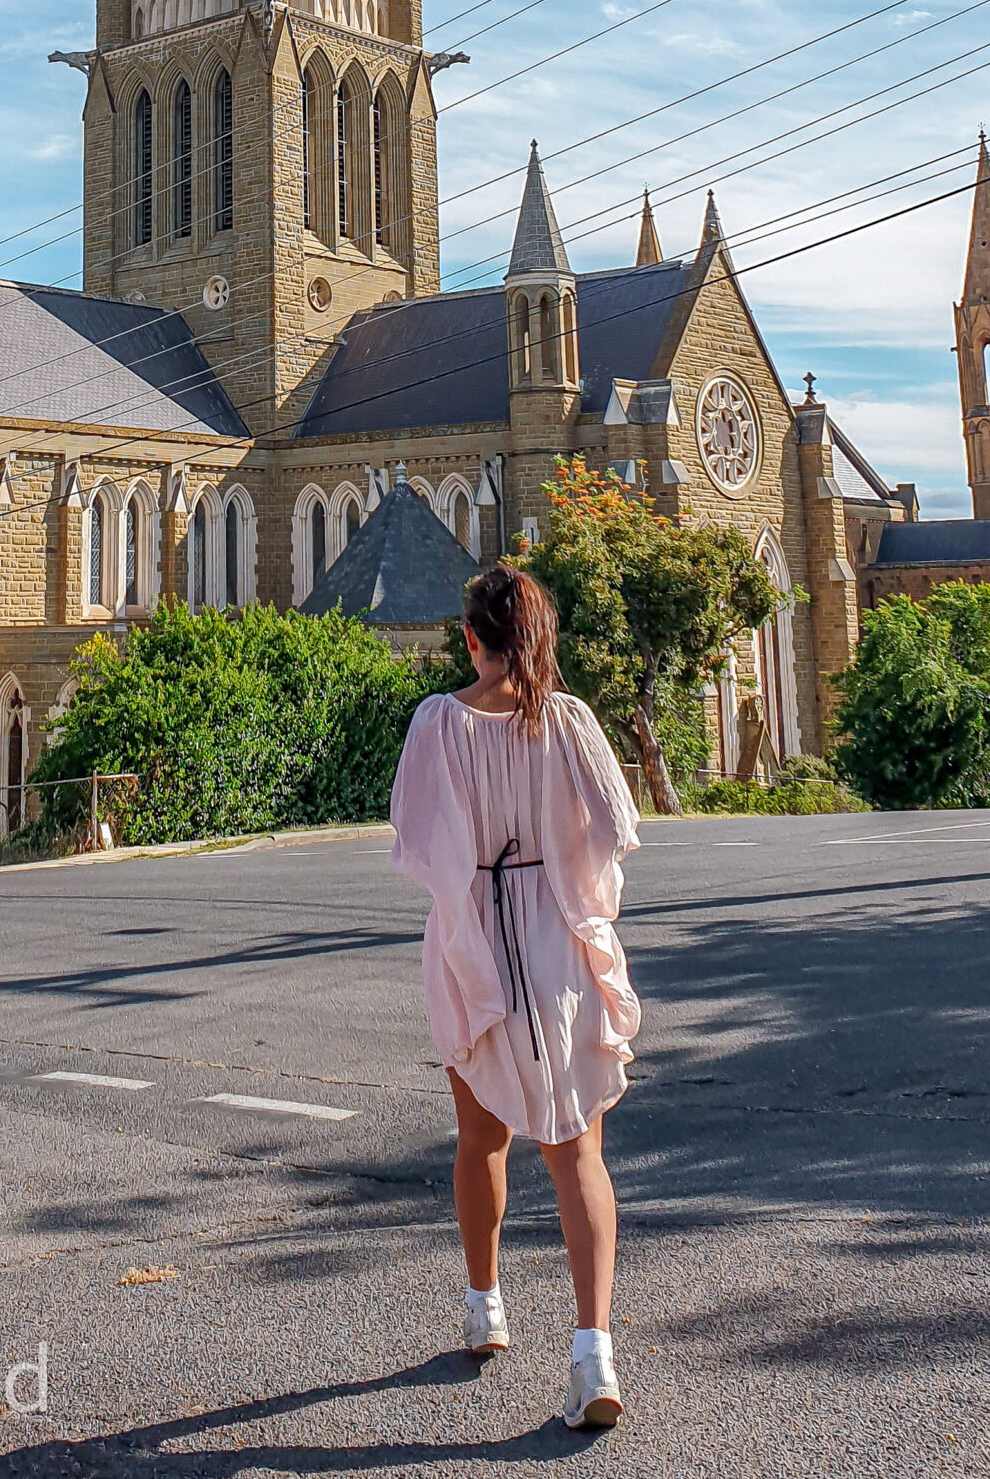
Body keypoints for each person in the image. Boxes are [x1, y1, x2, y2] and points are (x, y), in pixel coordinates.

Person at [390, 562, 641, 1430]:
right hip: (558, 940)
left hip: (475, 941)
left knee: (480, 1139)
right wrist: (569, 896)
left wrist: (480, 892)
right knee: (577, 1154)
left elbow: (421, 845)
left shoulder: (436, 722)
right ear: (540, 638)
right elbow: (615, 831)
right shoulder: (569, 720)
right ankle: (593, 1357)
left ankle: (485, 1305)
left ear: (471, 639)